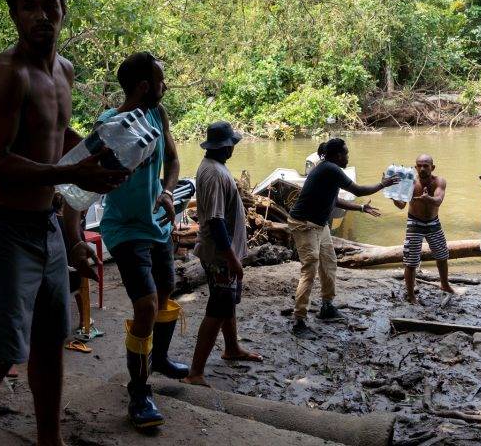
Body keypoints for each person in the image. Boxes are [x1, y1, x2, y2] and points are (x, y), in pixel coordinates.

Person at [0, 0, 126, 444]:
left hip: (45, 225)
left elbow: (56, 134)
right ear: (15, 16)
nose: (41, 15)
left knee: (49, 338)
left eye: (50, 5)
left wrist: (102, 156)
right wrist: (71, 174)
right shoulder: (5, 74)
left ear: (63, 10)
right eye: (29, 7)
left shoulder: (64, 71)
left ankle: (50, 439)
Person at [65, 51, 187, 429]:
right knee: (146, 305)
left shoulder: (158, 115)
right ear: (145, 86)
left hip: (155, 223)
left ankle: (159, 357)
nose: (166, 86)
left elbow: (173, 161)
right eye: (162, 80)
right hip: (123, 227)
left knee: (166, 290)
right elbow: (78, 186)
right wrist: (75, 238)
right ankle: (139, 392)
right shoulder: (110, 126)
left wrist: (167, 192)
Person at [288, 138, 399, 337]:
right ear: (338, 155)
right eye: (346, 153)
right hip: (304, 224)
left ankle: (327, 306)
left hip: (319, 225)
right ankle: (299, 321)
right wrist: (383, 184)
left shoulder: (328, 169)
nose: (348, 157)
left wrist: (361, 207)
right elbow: (357, 190)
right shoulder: (330, 168)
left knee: (329, 262)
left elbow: (334, 200)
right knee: (309, 269)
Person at [184, 121, 263, 387]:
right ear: (226, 146)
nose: (233, 148)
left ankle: (231, 348)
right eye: (232, 144)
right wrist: (232, 259)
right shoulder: (215, 173)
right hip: (220, 255)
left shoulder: (213, 166)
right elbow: (216, 221)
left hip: (223, 252)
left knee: (227, 302)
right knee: (218, 308)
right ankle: (195, 372)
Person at [394, 155, 453, 304]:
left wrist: (429, 199)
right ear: (415, 167)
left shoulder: (439, 181)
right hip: (415, 222)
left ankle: (445, 284)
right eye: (419, 165)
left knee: (442, 255)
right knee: (411, 261)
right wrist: (393, 196)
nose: (422, 169)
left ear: (432, 167)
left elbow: (438, 200)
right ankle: (411, 295)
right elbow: (401, 205)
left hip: (433, 222)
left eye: (426, 166)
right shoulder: (410, 182)